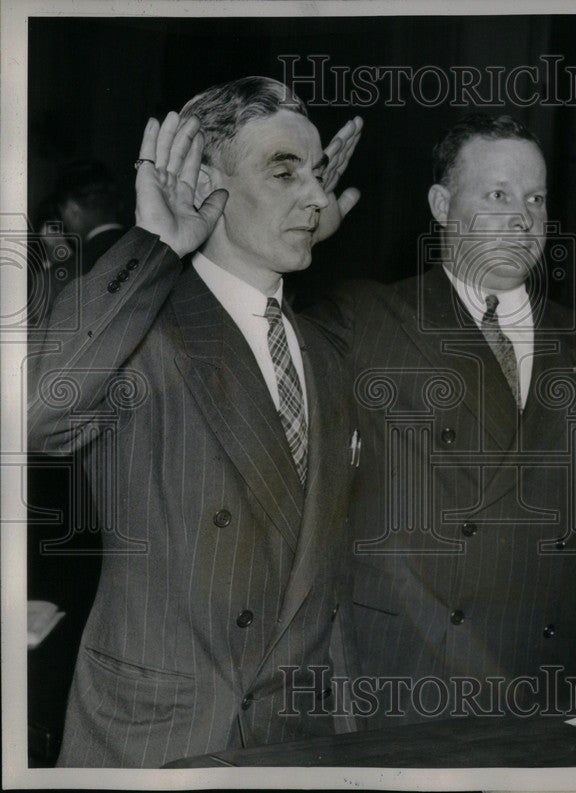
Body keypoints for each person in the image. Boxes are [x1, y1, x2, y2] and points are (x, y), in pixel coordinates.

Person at [28, 76, 364, 767]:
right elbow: (35, 410)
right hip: (159, 743)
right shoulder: (144, 332)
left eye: (320, 173)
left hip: (296, 744)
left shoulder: (326, 353)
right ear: (208, 179)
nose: (317, 195)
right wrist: (156, 241)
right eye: (284, 170)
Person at [308, 114, 576, 724]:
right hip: (408, 678)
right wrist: (299, 228)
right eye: (498, 195)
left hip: (549, 686)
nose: (523, 218)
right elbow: (246, 340)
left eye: (536, 198)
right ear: (441, 205)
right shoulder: (368, 320)